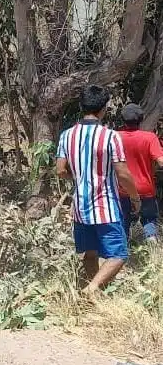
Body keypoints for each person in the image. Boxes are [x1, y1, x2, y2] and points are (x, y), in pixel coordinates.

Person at [56, 85, 141, 295]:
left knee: (90, 252)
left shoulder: (67, 136)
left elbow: (60, 171)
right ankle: (92, 290)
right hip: (105, 205)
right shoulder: (110, 136)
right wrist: (135, 197)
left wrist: (79, 177)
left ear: (81, 106)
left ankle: (94, 295)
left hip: (80, 207)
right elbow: (122, 173)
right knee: (119, 254)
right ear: (103, 109)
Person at [117, 103, 163, 243]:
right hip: (145, 190)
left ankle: (122, 255)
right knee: (149, 219)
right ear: (141, 119)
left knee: (123, 221)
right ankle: (152, 247)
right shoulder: (150, 138)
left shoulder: (115, 136)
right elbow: (161, 161)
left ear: (123, 120)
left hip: (122, 189)